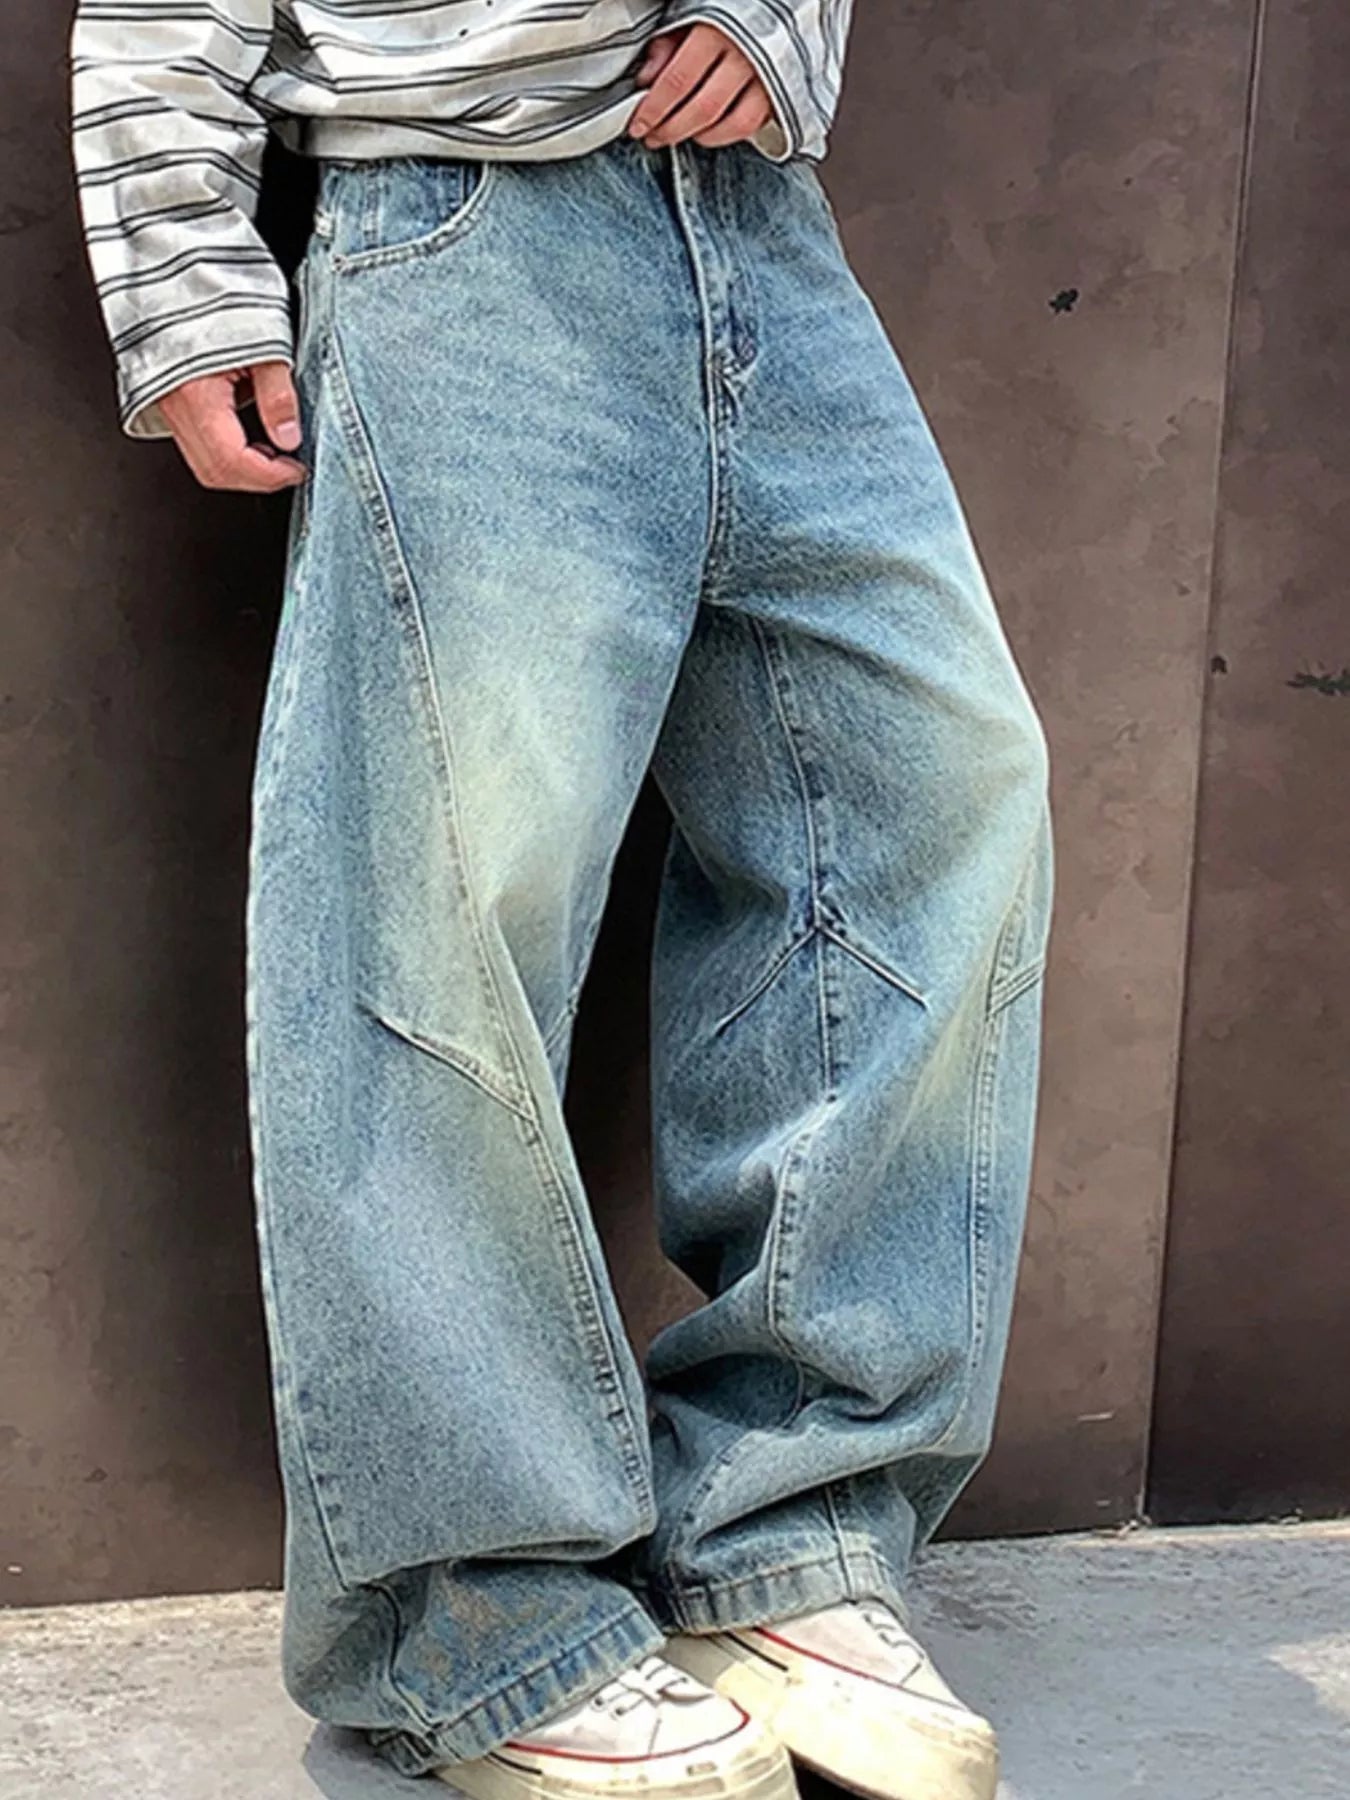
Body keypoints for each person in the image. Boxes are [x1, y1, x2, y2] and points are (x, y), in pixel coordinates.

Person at [67, 6, 1055, 1799]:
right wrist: (187, 276)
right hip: (458, 221)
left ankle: (789, 1529)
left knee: (932, 798)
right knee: (446, 900)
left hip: (758, 224)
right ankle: (467, 1609)